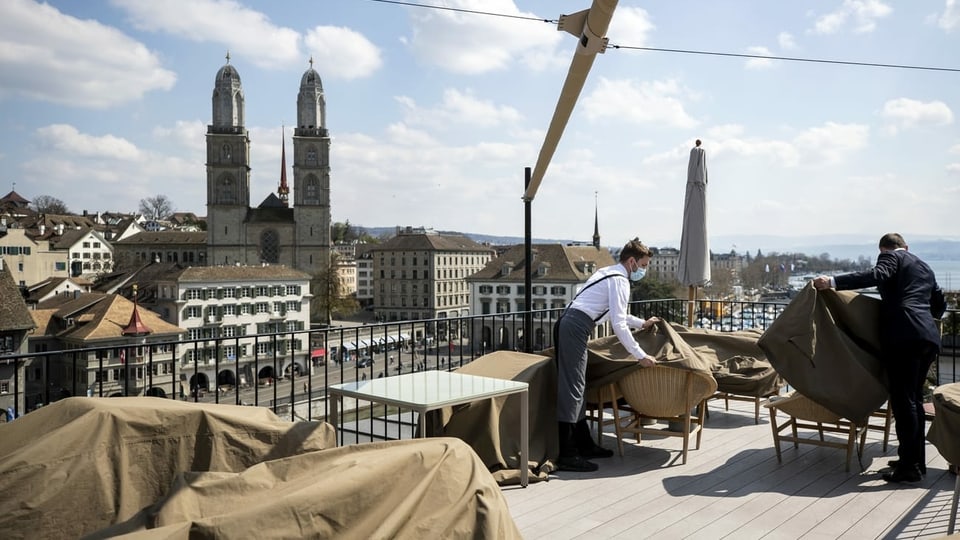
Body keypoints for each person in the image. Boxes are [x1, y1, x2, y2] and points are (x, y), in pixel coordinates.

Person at [813, 233, 946, 484]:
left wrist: (831, 281)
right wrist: (923, 320)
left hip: (904, 337)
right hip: (927, 337)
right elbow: (939, 303)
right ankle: (914, 461)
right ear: (906, 246)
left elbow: (877, 275)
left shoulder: (891, 258)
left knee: (903, 403)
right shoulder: (924, 266)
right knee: (915, 400)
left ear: (885, 249)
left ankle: (909, 468)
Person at [554, 237, 661, 472]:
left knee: (577, 388)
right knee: (573, 389)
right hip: (575, 327)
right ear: (632, 262)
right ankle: (568, 454)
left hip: (572, 324)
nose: (643, 271)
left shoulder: (610, 273)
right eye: (643, 266)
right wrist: (640, 355)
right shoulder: (621, 281)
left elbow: (618, 315)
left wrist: (642, 323)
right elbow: (619, 325)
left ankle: (584, 444)